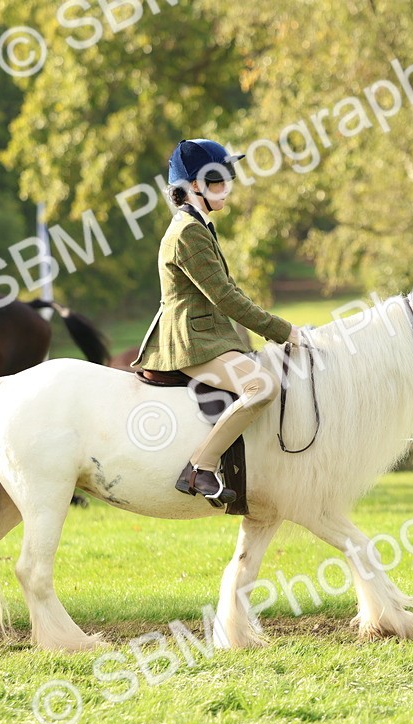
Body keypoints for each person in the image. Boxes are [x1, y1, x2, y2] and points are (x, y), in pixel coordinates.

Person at [132, 139, 305, 504]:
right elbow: (224, 297)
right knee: (263, 387)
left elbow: (229, 291)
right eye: (218, 179)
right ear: (194, 186)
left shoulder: (199, 225)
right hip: (190, 341)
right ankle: (201, 466)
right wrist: (283, 331)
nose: (228, 185)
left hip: (209, 336)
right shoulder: (188, 233)